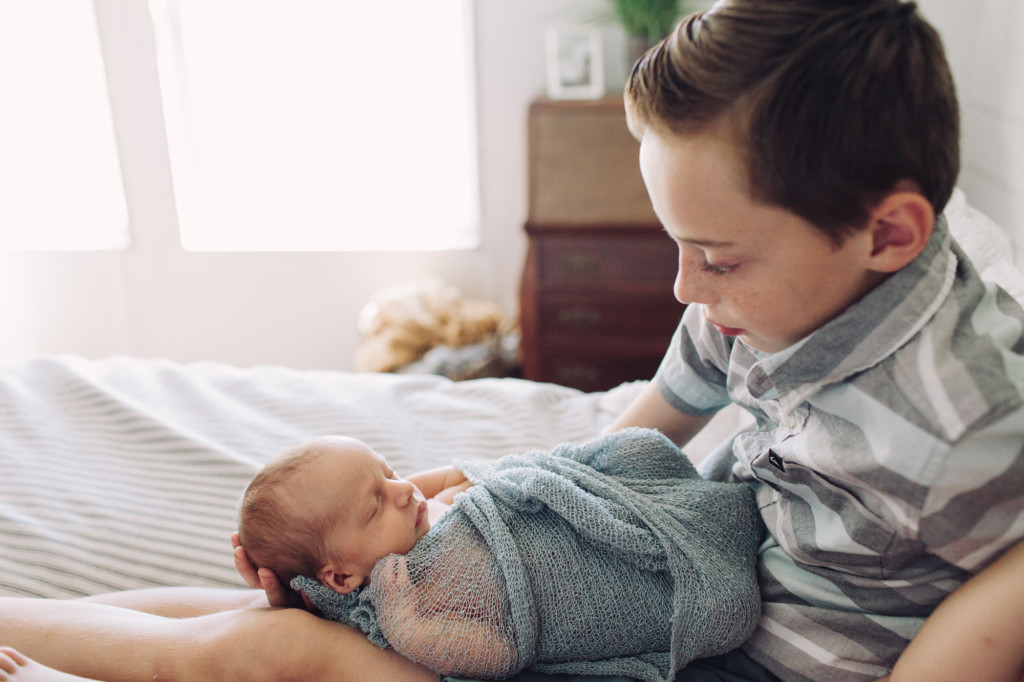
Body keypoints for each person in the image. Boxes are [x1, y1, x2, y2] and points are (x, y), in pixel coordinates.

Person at [1, 0, 1023, 679]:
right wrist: (485, 494)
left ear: (887, 234)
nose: (682, 286)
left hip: (716, 655)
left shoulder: (965, 417)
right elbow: (626, 442)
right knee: (303, 613)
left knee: (288, 656)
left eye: (715, 256)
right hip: (661, 591)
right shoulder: (759, 298)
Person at [237, 431, 762, 681]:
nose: (403, 491)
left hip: (551, 510)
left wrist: (444, 488)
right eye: (375, 505)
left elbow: (459, 477)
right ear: (341, 576)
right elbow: (500, 653)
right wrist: (412, 631)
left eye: (389, 472)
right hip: (579, 583)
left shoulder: (414, 515)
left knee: (637, 452)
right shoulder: (404, 603)